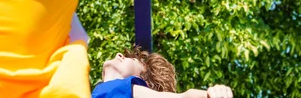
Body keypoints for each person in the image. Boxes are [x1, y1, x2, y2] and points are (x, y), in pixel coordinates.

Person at [92, 49, 233, 98]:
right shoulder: (89, 92)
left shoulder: (123, 89)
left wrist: (209, 94)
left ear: (140, 79)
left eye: (133, 59)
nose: (119, 55)